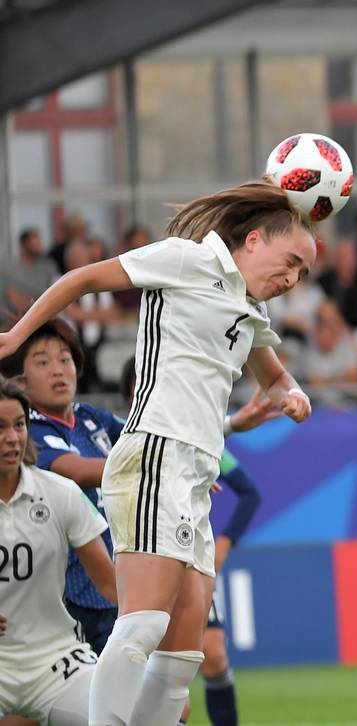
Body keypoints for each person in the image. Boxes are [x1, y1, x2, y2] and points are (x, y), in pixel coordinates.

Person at [0, 179, 315, 726]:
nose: (292, 279)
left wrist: (291, 393)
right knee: (143, 624)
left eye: (303, 274)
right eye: (290, 262)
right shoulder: (187, 261)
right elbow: (80, 279)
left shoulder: (249, 310)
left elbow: (273, 372)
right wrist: (17, 335)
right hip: (154, 456)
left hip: (195, 477)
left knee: (181, 655)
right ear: (255, 238)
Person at [121, 358, 267, 726]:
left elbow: (248, 494)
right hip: (139, 561)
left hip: (190, 555)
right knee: (154, 675)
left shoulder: (195, 437)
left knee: (212, 654)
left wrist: (223, 546)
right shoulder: (119, 441)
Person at [0, 377, 116, 726]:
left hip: (57, 661)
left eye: (19, 425)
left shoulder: (61, 493)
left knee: (112, 718)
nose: (11, 437)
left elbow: (112, 587)